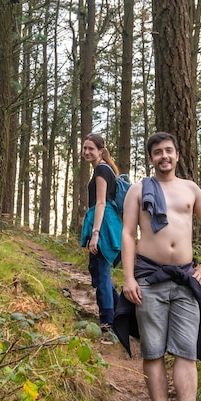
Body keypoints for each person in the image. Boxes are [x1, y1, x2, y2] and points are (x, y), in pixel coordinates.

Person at [121, 131, 201, 401]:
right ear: (151, 158)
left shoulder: (190, 189)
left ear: (177, 155)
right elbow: (127, 233)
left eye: (169, 151)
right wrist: (128, 277)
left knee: (185, 352)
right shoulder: (138, 190)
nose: (164, 156)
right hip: (149, 279)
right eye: (157, 152)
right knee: (152, 351)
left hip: (184, 281)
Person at [80, 133, 121, 342]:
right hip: (105, 223)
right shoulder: (104, 169)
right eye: (85, 148)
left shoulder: (101, 169)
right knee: (98, 272)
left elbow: (101, 203)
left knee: (102, 274)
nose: (87, 152)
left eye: (91, 149)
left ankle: (108, 325)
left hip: (103, 225)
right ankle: (123, 316)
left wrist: (95, 234)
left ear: (100, 151)